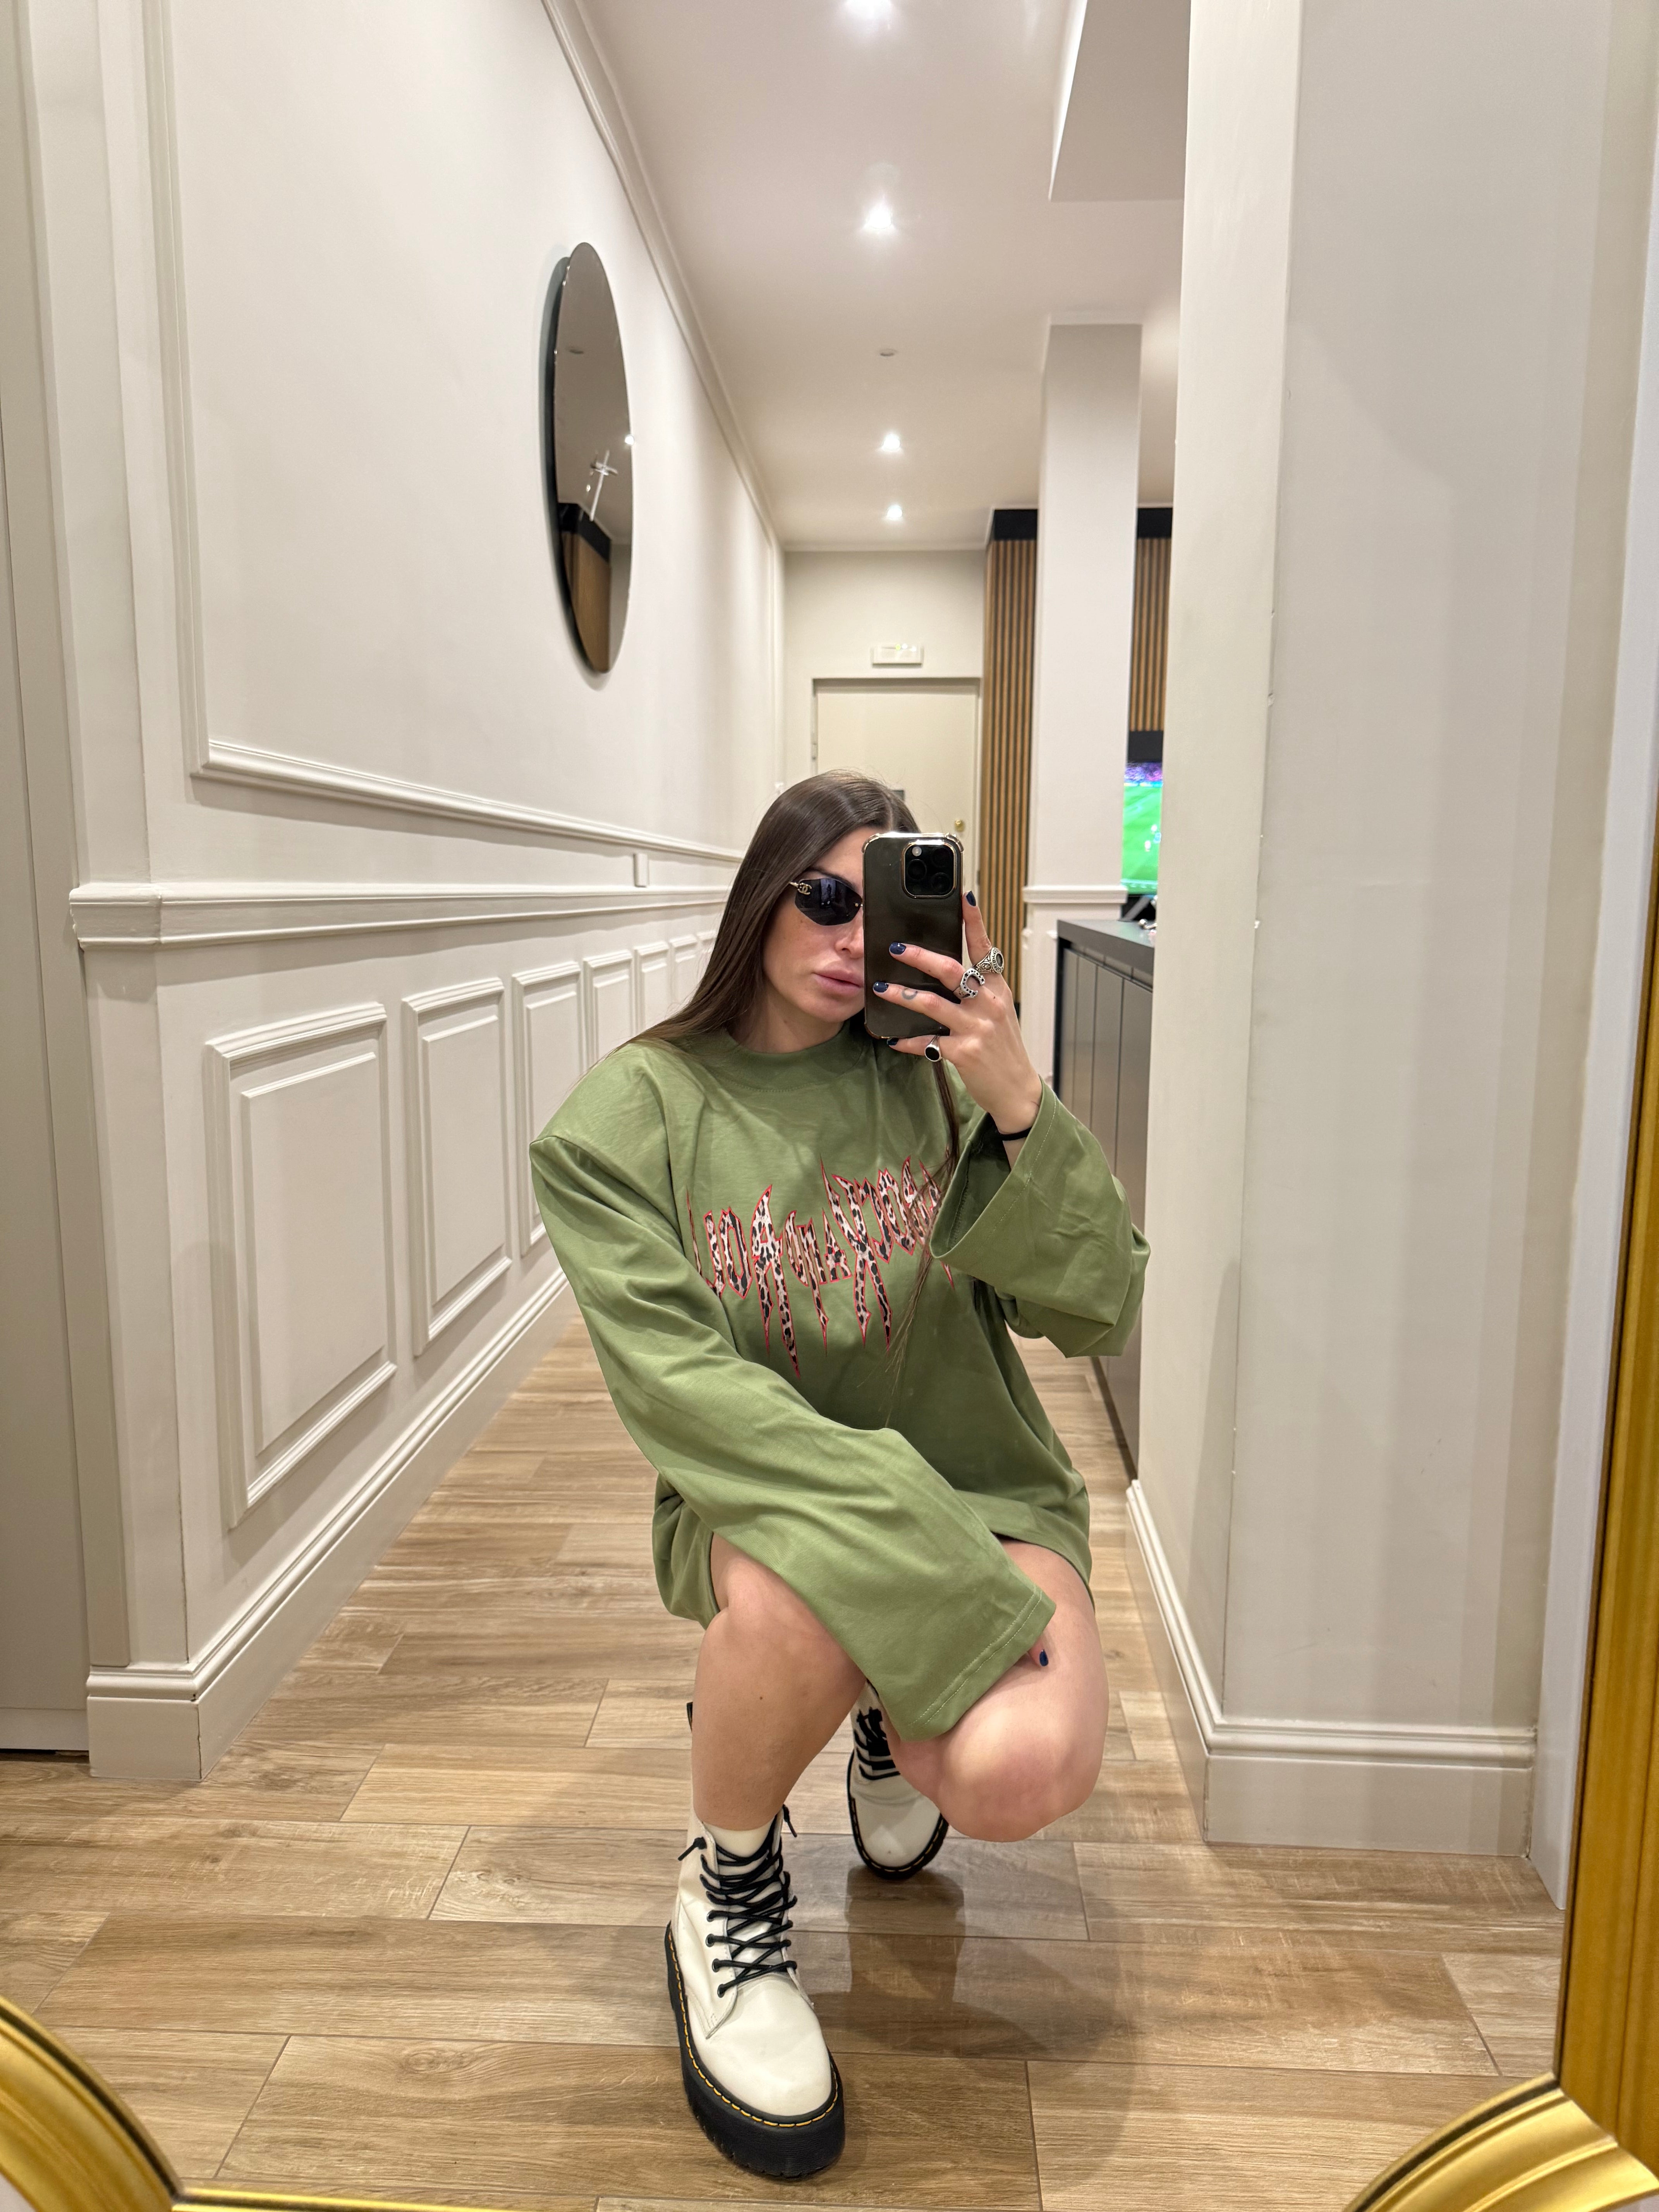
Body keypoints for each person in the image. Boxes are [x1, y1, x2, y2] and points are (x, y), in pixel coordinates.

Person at [531, 771, 1147, 2176]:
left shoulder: (939, 1084)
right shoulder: (625, 1123)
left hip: (981, 1481)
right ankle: (728, 1885)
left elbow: (1096, 1308)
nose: (850, 935)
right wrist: (915, 1552)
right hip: (759, 1493)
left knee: (1017, 1771)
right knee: (801, 1600)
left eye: (882, 904)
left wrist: (1015, 1101)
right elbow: (686, 1397)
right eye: (821, 896)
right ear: (762, 895)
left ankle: (880, 1710)